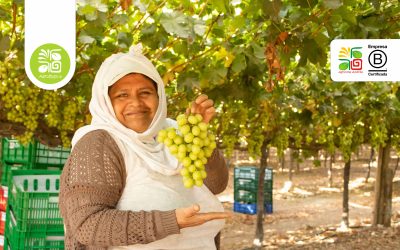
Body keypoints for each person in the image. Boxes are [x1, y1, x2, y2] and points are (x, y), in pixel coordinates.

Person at [59, 44, 230, 250]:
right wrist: (172, 221)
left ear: (159, 96)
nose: (136, 103)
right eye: (122, 95)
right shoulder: (99, 143)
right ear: (106, 101)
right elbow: (87, 225)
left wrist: (199, 137)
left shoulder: (172, 132)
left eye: (145, 92)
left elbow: (215, 184)